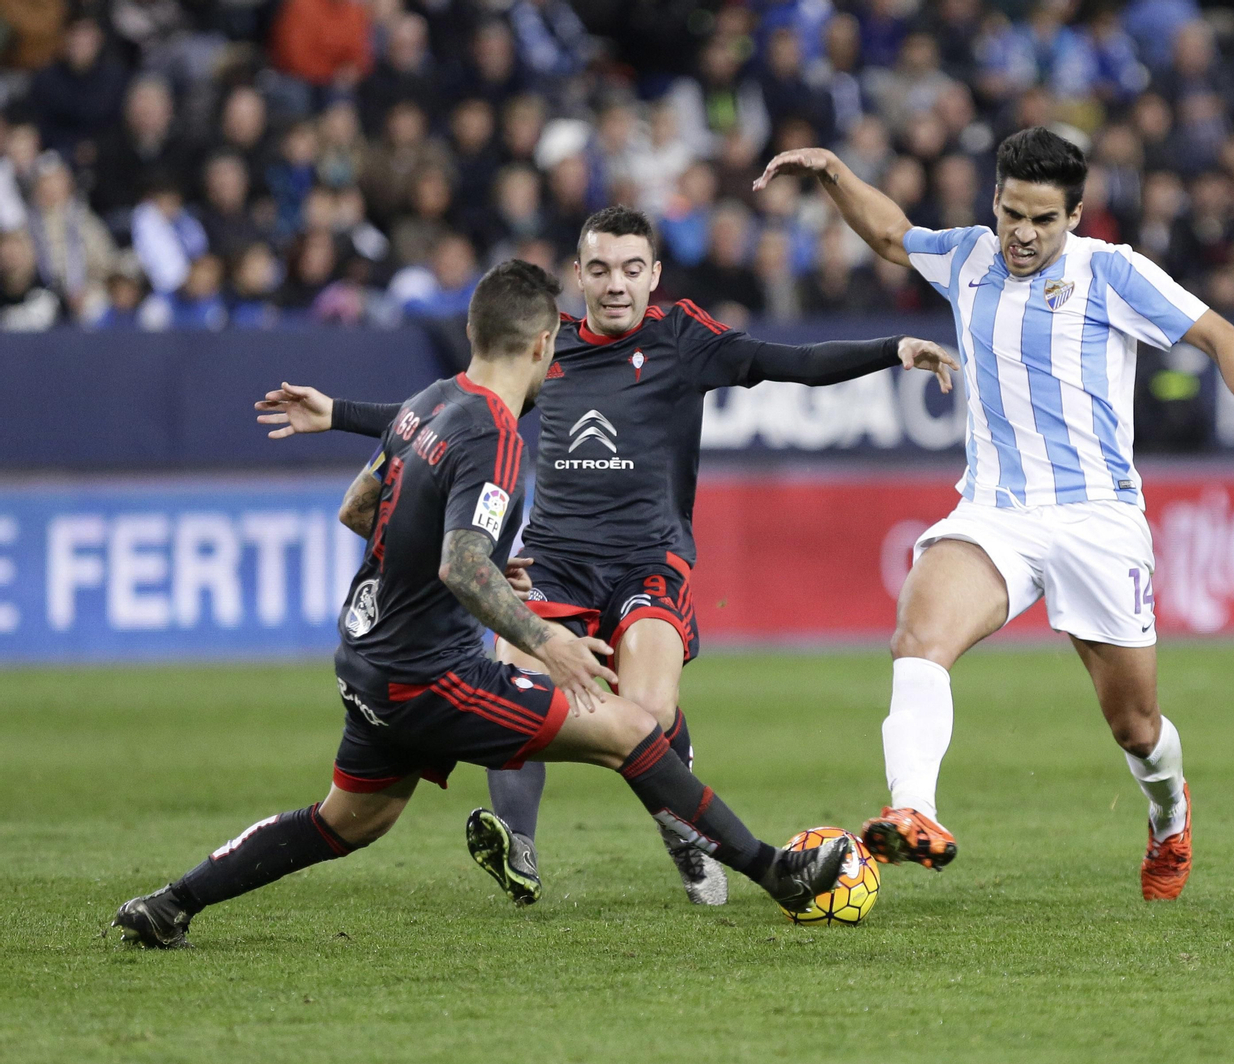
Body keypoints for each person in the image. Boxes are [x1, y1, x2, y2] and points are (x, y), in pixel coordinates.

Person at [112, 260, 852, 949]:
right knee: (631, 729)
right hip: (432, 678)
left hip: (367, 662)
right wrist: (545, 637)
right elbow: (462, 566)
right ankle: (776, 874)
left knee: (346, 821)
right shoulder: (498, 438)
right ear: (543, 343)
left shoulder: (428, 403)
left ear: (474, 332)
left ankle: (171, 904)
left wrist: (491, 563)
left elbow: (359, 506)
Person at [254, 206, 957, 909]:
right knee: (520, 686)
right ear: (577, 276)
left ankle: (683, 825)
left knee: (643, 713)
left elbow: (787, 362)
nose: (615, 284)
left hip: (650, 561)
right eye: (599, 269)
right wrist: (339, 412)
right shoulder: (547, 349)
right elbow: (445, 414)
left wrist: (892, 348)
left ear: (653, 274)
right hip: (553, 561)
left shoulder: (684, 337)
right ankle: (519, 849)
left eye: (629, 269)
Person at [753, 127, 1234, 900]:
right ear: (994, 201)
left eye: (1042, 220)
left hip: (1097, 519)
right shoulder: (967, 255)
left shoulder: (1113, 272)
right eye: (1011, 214)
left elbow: (1221, 336)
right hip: (995, 512)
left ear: (1074, 217)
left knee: (1135, 726)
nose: (1022, 235)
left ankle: (1169, 818)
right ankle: (913, 810)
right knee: (918, 636)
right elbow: (893, 235)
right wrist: (833, 171)